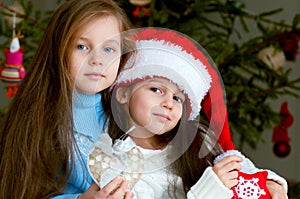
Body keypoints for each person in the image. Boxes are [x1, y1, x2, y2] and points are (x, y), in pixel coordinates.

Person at [87, 27, 288, 198]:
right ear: (122, 94)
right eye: (156, 90)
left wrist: (271, 183)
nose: (168, 103)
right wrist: (212, 188)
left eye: (178, 98)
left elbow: (242, 169)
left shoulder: (198, 141)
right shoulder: (113, 160)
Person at [0, 0, 136, 198]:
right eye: (82, 46)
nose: (97, 59)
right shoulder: (37, 120)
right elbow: (20, 191)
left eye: (109, 49)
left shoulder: (124, 116)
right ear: (58, 51)